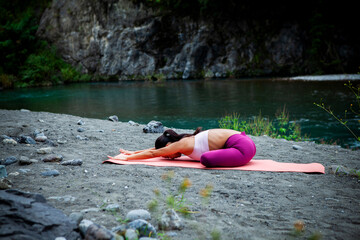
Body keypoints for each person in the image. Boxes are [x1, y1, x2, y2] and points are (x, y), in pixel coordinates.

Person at [108, 127, 256, 167]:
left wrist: (127, 159)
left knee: (206, 159)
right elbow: (156, 151)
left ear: (168, 145)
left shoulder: (181, 144)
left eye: (167, 156)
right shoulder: (184, 141)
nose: (168, 157)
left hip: (242, 148)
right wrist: (132, 152)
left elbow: (155, 154)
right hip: (245, 142)